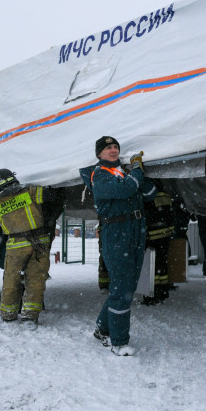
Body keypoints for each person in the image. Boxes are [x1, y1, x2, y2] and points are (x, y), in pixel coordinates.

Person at [79, 136, 156, 356]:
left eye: (115, 147)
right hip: (116, 234)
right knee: (122, 289)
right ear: (99, 154)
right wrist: (137, 172)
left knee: (126, 288)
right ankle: (119, 342)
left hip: (135, 232)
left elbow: (150, 194)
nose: (113, 150)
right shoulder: (99, 174)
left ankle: (103, 328)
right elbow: (124, 191)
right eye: (108, 148)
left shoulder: (123, 173)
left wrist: (136, 174)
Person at [0, 168, 63, 327]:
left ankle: (8, 314)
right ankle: (29, 316)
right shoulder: (30, 191)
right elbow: (51, 196)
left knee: (11, 280)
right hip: (38, 243)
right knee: (35, 281)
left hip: (14, 246)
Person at [144, 188, 175, 304]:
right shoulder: (166, 196)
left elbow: (147, 216)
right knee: (162, 263)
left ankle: (152, 294)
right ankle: (163, 291)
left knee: (151, 266)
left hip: (152, 236)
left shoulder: (148, 195)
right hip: (165, 235)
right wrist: (170, 231)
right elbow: (171, 215)